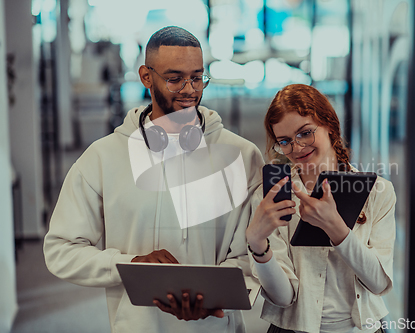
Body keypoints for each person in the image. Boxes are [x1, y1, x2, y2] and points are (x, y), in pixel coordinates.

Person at [44, 26, 264, 333]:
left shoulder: (243, 156)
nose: (190, 89)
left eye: (197, 77)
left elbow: (254, 255)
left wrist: (210, 297)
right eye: (175, 79)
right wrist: (130, 265)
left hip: (217, 326)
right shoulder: (103, 157)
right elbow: (61, 250)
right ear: (146, 77)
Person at [245, 84, 396, 333]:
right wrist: (257, 244)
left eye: (305, 133)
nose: (296, 148)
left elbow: (379, 283)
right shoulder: (271, 197)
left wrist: (336, 228)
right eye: (284, 141)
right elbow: (283, 298)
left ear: (330, 126)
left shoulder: (377, 191)